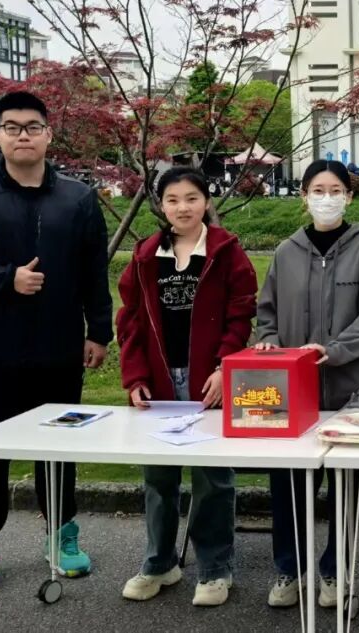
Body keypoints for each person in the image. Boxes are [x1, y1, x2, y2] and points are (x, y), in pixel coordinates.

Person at [0, 91, 113, 597]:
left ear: (49, 135)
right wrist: (4, 278)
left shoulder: (77, 198)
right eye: (12, 127)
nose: (23, 135)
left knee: (59, 450)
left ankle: (62, 535)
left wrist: (99, 331)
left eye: (32, 126)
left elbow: (93, 269)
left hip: (59, 350)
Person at [116, 166, 257, 607]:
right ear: (161, 206)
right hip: (160, 384)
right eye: (173, 200)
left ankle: (215, 568)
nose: (183, 208)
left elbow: (241, 314)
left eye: (192, 198)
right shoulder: (146, 256)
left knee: (213, 478)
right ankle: (160, 563)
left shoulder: (226, 252)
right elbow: (130, 322)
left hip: (208, 382)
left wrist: (225, 367)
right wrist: (135, 377)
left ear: (207, 202)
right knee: (158, 478)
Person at [256, 159, 359, 609]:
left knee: (345, 488)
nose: (326, 198)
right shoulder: (286, 251)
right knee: (288, 487)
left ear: (349, 196)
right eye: (318, 190)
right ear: (304, 196)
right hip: (294, 394)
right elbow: (267, 312)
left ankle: (335, 571)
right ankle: (289, 569)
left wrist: (334, 349)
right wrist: (271, 343)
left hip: (352, 388)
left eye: (335, 190)